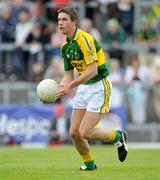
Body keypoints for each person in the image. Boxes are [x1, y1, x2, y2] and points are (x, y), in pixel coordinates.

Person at [54, 7, 128, 170]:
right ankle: (89, 164)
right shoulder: (65, 46)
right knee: (74, 132)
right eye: (59, 20)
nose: (60, 23)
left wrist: (71, 86)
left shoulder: (84, 40)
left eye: (64, 19)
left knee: (85, 132)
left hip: (98, 86)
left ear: (74, 22)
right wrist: (56, 91)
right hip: (83, 88)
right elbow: (68, 76)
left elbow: (92, 70)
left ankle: (117, 135)